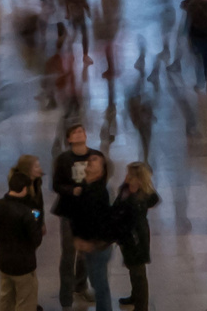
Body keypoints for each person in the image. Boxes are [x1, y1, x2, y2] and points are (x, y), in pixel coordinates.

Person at [53, 124, 105, 309]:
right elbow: (56, 184)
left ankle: (81, 285)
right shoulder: (64, 159)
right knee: (68, 255)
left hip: (89, 211)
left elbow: (103, 180)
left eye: (81, 131)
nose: (79, 133)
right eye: (74, 132)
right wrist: (71, 190)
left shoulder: (96, 156)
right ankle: (65, 297)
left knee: (84, 253)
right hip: (69, 212)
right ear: (69, 139)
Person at [63, 153, 116, 311]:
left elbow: (96, 221)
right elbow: (79, 216)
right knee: (96, 282)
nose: (89, 162)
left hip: (97, 245)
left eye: (94, 161)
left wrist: (86, 240)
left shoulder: (100, 192)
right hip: (90, 244)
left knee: (100, 287)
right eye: (89, 160)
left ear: (101, 170)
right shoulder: (87, 186)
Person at [0, 168, 46, 311]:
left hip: (4, 261)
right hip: (23, 265)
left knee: (6, 298)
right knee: (25, 302)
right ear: (24, 189)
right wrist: (36, 218)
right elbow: (36, 240)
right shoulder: (27, 213)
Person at [112, 162, 161, 311]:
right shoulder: (126, 189)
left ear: (139, 178)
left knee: (138, 272)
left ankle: (141, 306)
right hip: (126, 236)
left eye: (130, 175)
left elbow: (152, 200)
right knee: (132, 268)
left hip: (137, 238)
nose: (127, 177)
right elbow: (117, 206)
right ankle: (135, 296)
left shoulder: (141, 197)